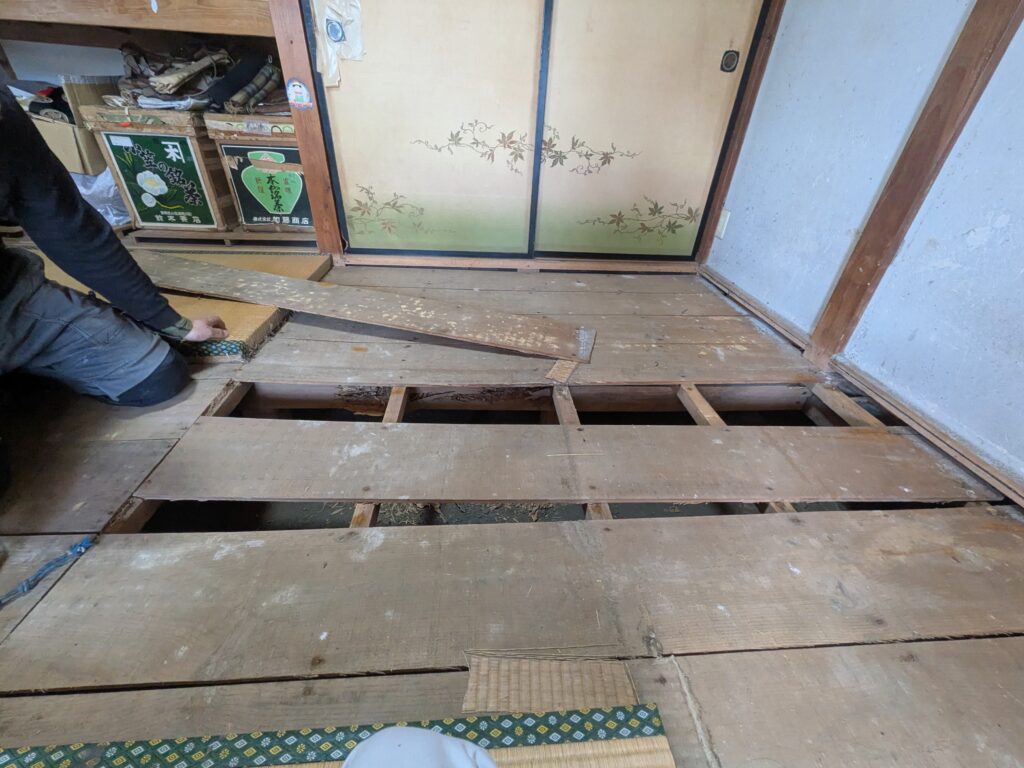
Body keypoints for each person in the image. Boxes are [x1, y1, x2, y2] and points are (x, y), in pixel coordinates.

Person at [0, 86, 228, 406]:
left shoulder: (4, 115)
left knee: (157, 375)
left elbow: (66, 226)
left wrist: (169, 323)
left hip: (8, 299)